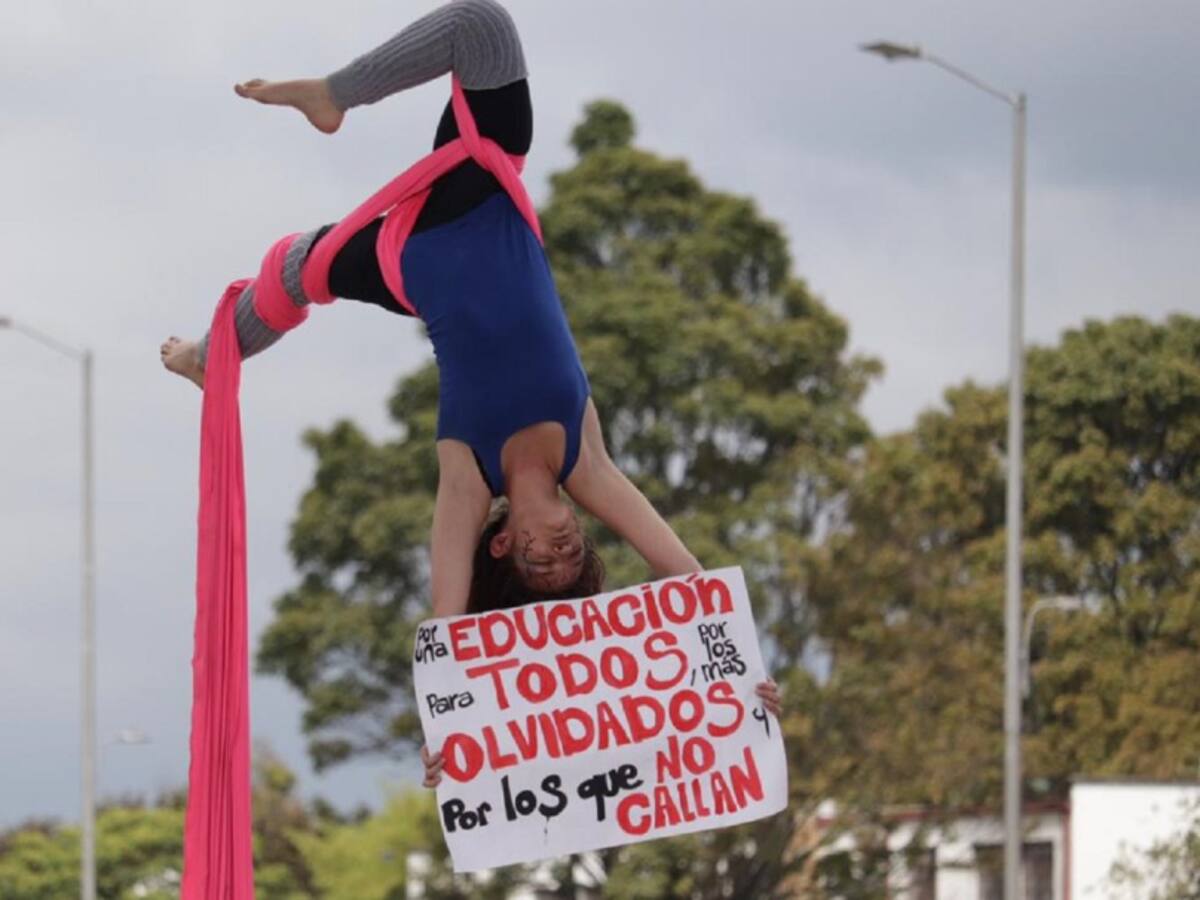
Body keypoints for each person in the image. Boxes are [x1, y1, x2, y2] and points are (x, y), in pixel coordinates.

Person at [161, 0, 700, 617]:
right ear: (581, 526)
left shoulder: (468, 476)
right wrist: (748, 678)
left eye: (539, 563)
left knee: (295, 266)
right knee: (480, 26)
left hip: (410, 265)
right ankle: (333, 95)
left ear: (500, 545)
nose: (557, 552)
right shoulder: (585, 460)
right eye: (571, 558)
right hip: (483, 200)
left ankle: (211, 354)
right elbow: (685, 574)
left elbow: (446, 623)